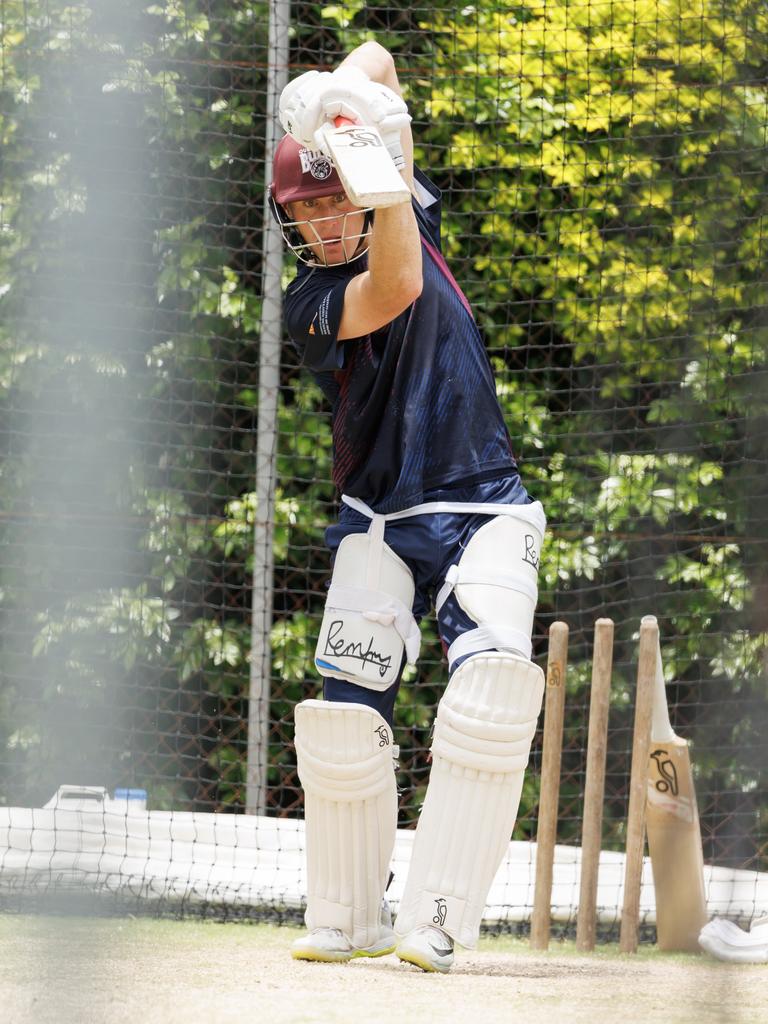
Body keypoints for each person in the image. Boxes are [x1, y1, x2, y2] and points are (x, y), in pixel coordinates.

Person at [269, 41, 547, 974]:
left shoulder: (400, 210)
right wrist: (373, 149)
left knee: (493, 692)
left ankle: (438, 919)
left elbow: (381, 59)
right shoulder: (311, 298)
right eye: (298, 211)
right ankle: (349, 915)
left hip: (481, 505)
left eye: (325, 199)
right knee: (346, 715)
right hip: (379, 516)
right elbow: (396, 287)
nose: (316, 221)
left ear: (355, 188)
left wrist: (335, 98)